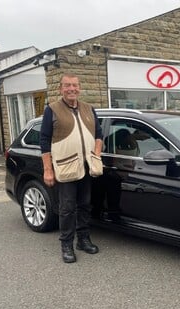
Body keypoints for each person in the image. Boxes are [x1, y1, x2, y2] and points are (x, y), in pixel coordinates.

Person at [40, 73, 103, 263]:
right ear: (61, 89)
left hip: (86, 167)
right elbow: (44, 141)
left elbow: (99, 134)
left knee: (85, 205)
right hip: (66, 167)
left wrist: (96, 156)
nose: (71, 89)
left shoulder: (88, 108)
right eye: (67, 85)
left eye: (74, 85)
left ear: (79, 87)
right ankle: (66, 244)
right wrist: (48, 169)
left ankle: (83, 240)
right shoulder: (52, 110)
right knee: (67, 208)